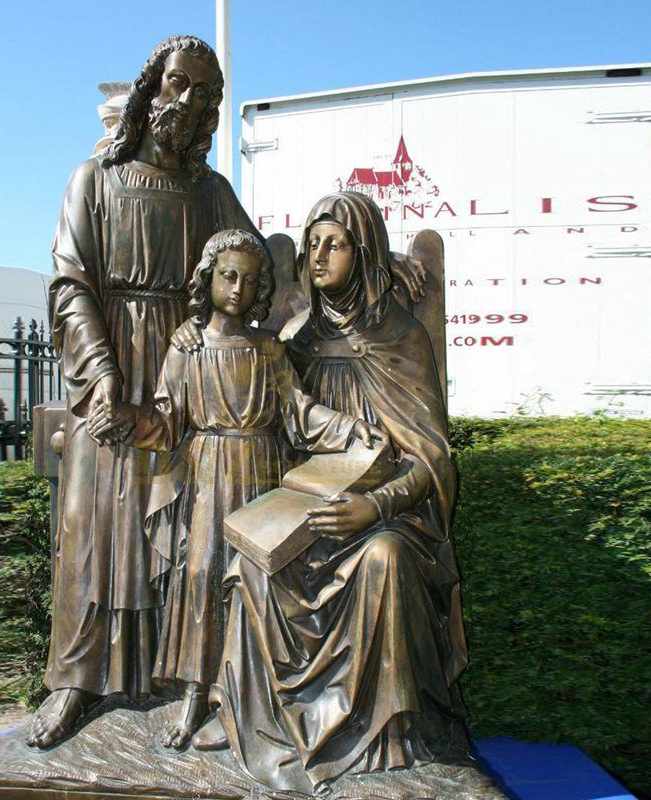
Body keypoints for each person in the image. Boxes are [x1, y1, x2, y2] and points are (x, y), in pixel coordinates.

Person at [193, 192, 471, 794]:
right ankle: (253, 721)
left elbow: (431, 458)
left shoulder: (400, 338)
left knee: (385, 560)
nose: (318, 257)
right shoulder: (295, 340)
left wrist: (375, 507)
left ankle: (382, 741)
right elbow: (281, 418)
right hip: (311, 514)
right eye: (313, 244)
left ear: (362, 252)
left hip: (389, 517)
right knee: (252, 566)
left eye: (335, 245)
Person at [27, 36, 260, 749]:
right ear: (148, 89)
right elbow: (71, 283)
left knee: (183, 529)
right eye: (175, 84)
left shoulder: (213, 192)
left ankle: (174, 681)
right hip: (113, 363)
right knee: (94, 527)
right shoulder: (94, 181)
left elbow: (261, 268)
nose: (183, 103)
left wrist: (373, 271)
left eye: (201, 94)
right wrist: (100, 374)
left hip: (190, 375)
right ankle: (76, 680)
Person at [86, 229, 385, 750]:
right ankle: (194, 695)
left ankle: (243, 699)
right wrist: (128, 422)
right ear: (208, 279)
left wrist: (348, 428)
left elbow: (301, 413)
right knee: (201, 577)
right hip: (207, 474)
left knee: (253, 581)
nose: (238, 289)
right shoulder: (188, 347)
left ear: (261, 288)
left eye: (250, 280)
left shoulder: (270, 350)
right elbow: (167, 418)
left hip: (261, 472)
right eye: (228, 276)